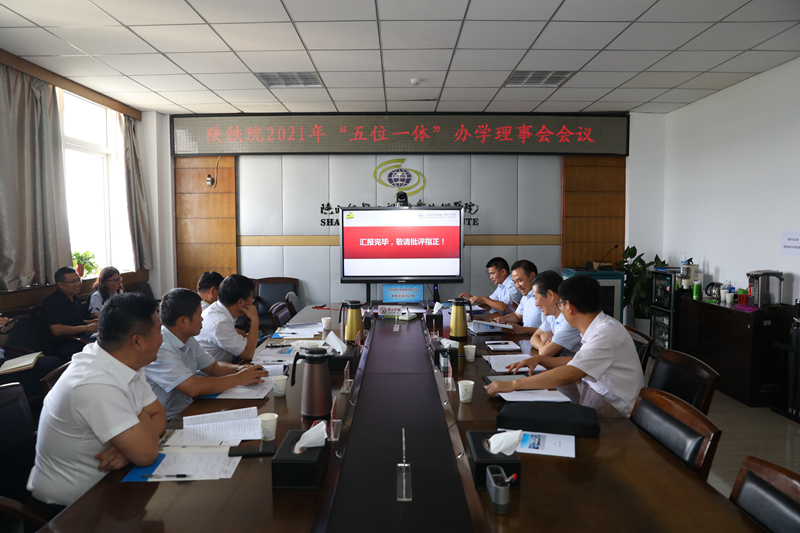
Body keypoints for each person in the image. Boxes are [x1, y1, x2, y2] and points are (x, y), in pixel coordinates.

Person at [28, 293, 167, 508]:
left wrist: (127, 449)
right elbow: (147, 453)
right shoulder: (93, 382)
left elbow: (159, 415)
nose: (162, 336)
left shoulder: (121, 360)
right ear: (137, 341)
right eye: (159, 329)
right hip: (69, 510)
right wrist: (138, 435)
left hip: (110, 486)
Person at [487, 275, 645, 417]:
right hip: (595, 398)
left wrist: (512, 384)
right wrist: (540, 360)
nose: (560, 309)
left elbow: (569, 373)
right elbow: (577, 361)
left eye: (560, 305)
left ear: (569, 306)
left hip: (616, 414)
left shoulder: (605, 335)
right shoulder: (597, 326)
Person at [146, 289, 270, 419]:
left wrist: (240, 369)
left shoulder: (188, 339)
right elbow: (192, 387)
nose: (202, 319)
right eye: (199, 315)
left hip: (189, 408)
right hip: (170, 420)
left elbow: (214, 367)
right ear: (183, 321)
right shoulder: (161, 347)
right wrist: (239, 378)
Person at [196, 274, 260, 363]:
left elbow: (236, 333)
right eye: (251, 297)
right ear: (240, 302)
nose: (252, 302)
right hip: (215, 371)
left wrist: (249, 336)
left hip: (225, 362)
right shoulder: (219, 322)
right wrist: (255, 319)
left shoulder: (218, 308)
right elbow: (248, 355)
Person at [40, 266, 97, 362]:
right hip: (66, 344)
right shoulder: (52, 302)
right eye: (73, 282)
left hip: (81, 338)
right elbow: (57, 330)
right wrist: (87, 328)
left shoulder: (75, 298)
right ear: (60, 284)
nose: (78, 284)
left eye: (78, 280)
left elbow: (77, 321)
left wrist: (94, 321)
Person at [0, 316, 62, 399]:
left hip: (4, 362)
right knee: (37, 379)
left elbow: (2, 344)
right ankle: (50, 400)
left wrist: (3, 331)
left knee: (52, 362)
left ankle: (56, 398)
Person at [525, 270, 583, 359]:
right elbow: (533, 338)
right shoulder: (552, 315)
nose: (536, 304)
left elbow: (544, 353)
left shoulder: (569, 320)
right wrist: (544, 346)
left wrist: (544, 340)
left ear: (550, 294)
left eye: (536, 298)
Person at [492, 260, 542, 335]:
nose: (518, 286)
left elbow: (549, 330)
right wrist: (502, 319)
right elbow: (517, 316)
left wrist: (523, 330)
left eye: (520, 280)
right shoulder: (526, 296)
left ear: (532, 276)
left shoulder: (543, 298)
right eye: (515, 282)